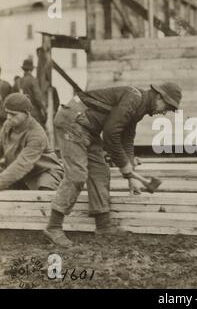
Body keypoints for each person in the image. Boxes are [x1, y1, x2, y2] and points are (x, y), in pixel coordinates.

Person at [43, 82, 183, 248]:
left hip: (88, 127)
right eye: (167, 106)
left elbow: (127, 140)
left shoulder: (139, 108)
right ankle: (53, 227)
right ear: (159, 96)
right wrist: (125, 166)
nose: (164, 112)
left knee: (101, 172)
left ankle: (103, 227)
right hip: (73, 121)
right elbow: (110, 135)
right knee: (77, 175)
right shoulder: (134, 98)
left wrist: (130, 175)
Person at [0, 93, 64, 191]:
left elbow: (22, 165)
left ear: (26, 113)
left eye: (13, 114)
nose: (8, 117)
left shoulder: (36, 134)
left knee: (44, 191)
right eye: (7, 113)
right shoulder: (8, 125)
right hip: (20, 172)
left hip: (44, 172)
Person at [20, 59, 47, 126]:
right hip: (34, 111)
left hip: (23, 112)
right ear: (31, 69)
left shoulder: (21, 80)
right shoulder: (32, 80)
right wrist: (44, 110)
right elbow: (38, 98)